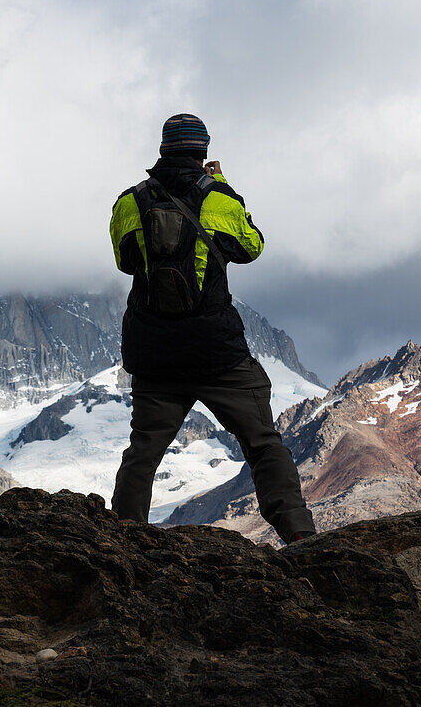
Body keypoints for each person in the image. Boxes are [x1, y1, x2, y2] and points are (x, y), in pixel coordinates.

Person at [107, 113, 316, 545]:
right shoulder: (219, 198)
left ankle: (123, 541)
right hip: (218, 352)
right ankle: (298, 535)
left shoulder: (129, 203)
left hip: (154, 354)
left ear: (163, 148)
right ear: (203, 151)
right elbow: (252, 246)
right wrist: (223, 187)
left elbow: (124, 261)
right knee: (262, 442)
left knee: (144, 450)